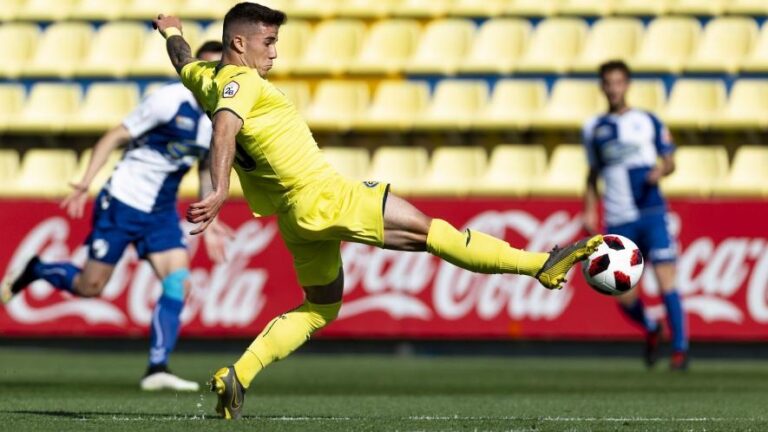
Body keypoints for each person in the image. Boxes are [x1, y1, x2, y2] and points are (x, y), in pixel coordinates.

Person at [152, 2, 603, 419]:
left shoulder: (206, 78)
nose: (274, 52)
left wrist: (171, 31)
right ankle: (541, 265)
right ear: (238, 44)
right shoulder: (241, 82)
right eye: (267, 42)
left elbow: (182, 59)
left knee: (319, 309)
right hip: (325, 196)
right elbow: (225, 130)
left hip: (295, 218)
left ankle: (239, 375)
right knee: (433, 234)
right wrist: (220, 189)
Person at [1, 42, 232, 391]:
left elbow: (203, 167)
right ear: (196, 70)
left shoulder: (217, 117)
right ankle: (36, 270)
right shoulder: (167, 101)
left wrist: (210, 211)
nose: (213, 79)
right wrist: (85, 183)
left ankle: (157, 367)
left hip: (160, 213)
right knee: (90, 287)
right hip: (122, 200)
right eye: (209, 70)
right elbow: (114, 136)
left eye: (221, 72)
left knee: (178, 281)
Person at [582, 60, 689, 371]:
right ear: (603, 87)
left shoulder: (647, 120)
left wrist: (661, 170)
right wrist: (590, 208)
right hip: (618, 218)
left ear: (626, 85)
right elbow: (592, 173)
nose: (614, 88)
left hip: (651, 211)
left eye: (619, 82)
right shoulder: (593, 128)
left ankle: (680, 349)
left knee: (666, 278)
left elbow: (670, 160)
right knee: (621, 293)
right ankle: (652, 327)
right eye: (609, 83)